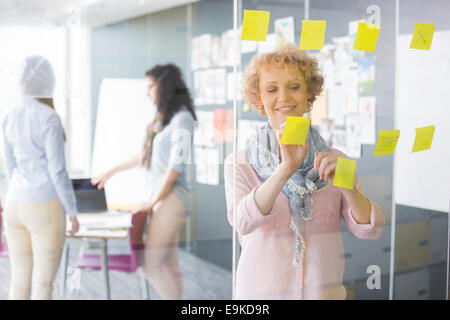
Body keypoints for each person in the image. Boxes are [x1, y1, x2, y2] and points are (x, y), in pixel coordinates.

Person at [224, 44, 385, 300]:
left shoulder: (335, 160)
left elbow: (370, 230)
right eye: (272, 89)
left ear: (309, 93)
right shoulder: (240, 162)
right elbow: (243, 222)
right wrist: (284, 170)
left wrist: (348, 188)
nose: (284, 98)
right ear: (259, 99)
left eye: (295, 87)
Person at [92, 64, 196, 300]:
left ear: (165, 86)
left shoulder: (183, 119)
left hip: (172, 198)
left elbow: (175, 169)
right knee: (169, 265)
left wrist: (153, 202)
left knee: (151, 264)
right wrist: (110, 172)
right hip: (160, 197)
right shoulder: (163, 119)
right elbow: (144, 157)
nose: (148, 92)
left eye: (151, 86)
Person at [2, 56, 79, 300]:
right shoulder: (49, 117)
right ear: (50, 85)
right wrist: (73, 212)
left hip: (14, 204)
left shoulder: (9, 115)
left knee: (19, 281)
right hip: (44, 205)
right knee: (43, 285)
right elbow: (57, 172)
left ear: (22, 81)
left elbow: (10, 166)